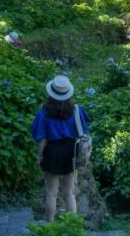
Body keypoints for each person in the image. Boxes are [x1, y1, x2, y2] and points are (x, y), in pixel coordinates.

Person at [31, 75, 90, 222]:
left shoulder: (44, 112)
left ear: (51, 93)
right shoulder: (76, 110)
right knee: (69, 192)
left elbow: (41, 138)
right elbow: (82, 131)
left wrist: (39, 156)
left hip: (52, 151)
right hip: (71, 151)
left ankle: (48, 222)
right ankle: (72, 225)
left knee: (52, 193)